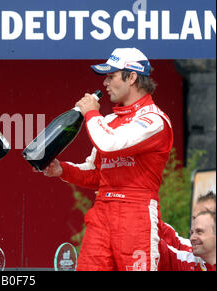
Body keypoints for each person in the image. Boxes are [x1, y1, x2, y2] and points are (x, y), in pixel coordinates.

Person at [41, 48, 173, 271]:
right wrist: (61, 170)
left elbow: (109, 145)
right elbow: (95, 173)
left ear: (131, 77)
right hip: (102, 211)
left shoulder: (154, 119)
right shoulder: (109, 120)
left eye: (111, 76)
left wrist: (92, 113)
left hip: (136, 214)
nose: (105, 83)